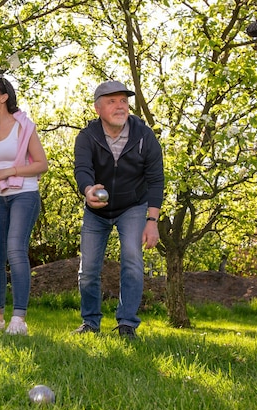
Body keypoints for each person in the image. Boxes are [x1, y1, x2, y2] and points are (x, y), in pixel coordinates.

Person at [73, 80, 164, 340]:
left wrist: (152, 220)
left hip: (132, 207)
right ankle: (90, 322)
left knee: (132, 262)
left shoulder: (144, 136)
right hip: (96, 211)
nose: (120, 106)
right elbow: (82, 169)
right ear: (98, 108)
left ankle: (127, 325)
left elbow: (156, 179)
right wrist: (89, 190)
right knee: (88, 269)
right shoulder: (87, 136)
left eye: (123, 101)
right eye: (112, 101)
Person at [0, 75, 48, 336]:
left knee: (15, 250)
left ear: (3, 97)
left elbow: (41, 164)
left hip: (24, 194)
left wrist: (10, 171)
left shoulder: (23, 126)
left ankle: (19, 319)